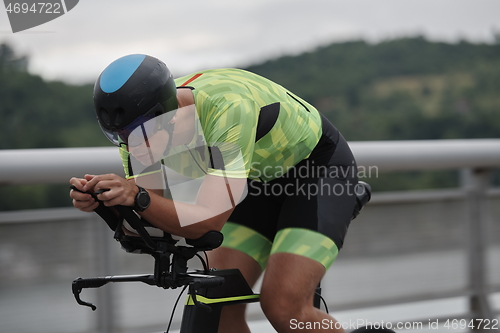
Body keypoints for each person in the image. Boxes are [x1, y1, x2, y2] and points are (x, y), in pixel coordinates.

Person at [69, 54, 358, 333]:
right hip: (253, 179)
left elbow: (206, 223)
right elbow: (150, 222)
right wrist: (108, 205)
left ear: (166, 116)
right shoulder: (137, 131)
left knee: (284, 307)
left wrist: (135, 196)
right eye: (119, 136)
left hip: (314, 171)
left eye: (138, 134)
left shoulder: (227, 108)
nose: (132, 147)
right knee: (213, 304)